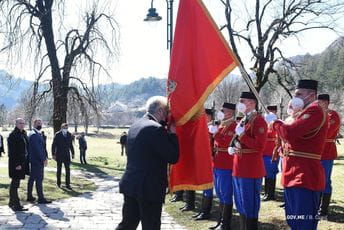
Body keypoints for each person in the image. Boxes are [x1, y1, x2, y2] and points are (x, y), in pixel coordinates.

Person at [116, 96, 179, 230]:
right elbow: (173, 157)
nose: (168, 115)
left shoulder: (136, 125)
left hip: (132, 184)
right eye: (167, 112)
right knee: (151, 226)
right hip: (149, 189)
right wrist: (173, 134)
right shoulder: (156, 129)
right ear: (161, 111)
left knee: (127, 224)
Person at [272, 80, 328, 230]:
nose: (295, 97)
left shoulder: (315, 110)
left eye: (299, 94)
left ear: (311, 95)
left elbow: (289, 133)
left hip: (305, 175)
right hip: (293, 174)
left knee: (304, 223)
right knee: (294, 220)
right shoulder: (301, 113)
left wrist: (276, 122)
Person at [230, 92, 267, 229]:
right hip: (239, 167)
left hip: (250, 169)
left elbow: (259, 146)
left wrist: (243, 135)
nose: (239, 103)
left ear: (252, 102)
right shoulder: (243, 119)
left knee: (250, 204)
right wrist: (232, 146)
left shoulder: (258, 120)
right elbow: (237, 138)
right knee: (240, 203)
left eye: (242, 101)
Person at [210, 103, 237, 230]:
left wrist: (215, 134)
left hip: (226, 164)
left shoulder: (234, 126)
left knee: (226, 193)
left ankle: (225, 223)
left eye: (223, 110)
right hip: (217, 162)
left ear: (230, 112)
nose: (220, 112)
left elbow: (227, 143)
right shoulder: (221, 125)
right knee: (219, 192)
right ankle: (220, 221)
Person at [317, 94, 341, 217]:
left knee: (325, 180)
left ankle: (324, 210)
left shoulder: (333, 115)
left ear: (327, 103)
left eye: (321, 102)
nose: (319, 104)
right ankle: (316, 206)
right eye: (318, 102)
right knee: (316, 180)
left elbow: (327, 133)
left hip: (326, 152)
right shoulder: (316, 115)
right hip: (315, 153)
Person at [192, 108, 215, 221]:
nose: (204, 118)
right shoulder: (203, 128)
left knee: (208, 186)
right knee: (204, 186)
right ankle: (203, 210)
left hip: (210, 160)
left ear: (210, 117)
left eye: (206, 116)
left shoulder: (213, 128)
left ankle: (206, 211)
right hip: (203, 159)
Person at [27, 119, 51, 204]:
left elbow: (42, 148)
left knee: (32, 178)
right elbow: (37, 149)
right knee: (39, 179)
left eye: (41, 123)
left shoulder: (37, 133)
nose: (40, 125)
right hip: (37, 160)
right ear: (34, 124)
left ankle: (29, 196)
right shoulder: (33, 134)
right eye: (38, 123)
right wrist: (43, 159)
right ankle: (40, 198)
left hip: (36, 160)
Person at [7, 118, 29, 211]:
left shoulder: (23, 134)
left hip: (22, 162)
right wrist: (17, 164)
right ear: (16, 124)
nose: (22, 125)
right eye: (20, 123)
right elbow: (11, 152)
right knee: (15, 184)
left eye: (23, 123)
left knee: (15, 183)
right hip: (16, 163)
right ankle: (16, 205)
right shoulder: (13, 135)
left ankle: (11, 202)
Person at [262, 105, 279, 201]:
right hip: (264, 152)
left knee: (271, 173)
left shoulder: (276, 124)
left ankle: (270, 194)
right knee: (265, 173)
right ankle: (266, 192)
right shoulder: (266, 123)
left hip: (271, 152)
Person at [52, 123, 75, 190]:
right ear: (62, 128)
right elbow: (53, 145)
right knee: (59, 169)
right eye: (65, 128)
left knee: (68, 170)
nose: (66, 129)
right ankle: (58, 183)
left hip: (67, 155)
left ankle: (68, 184)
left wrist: (73, 153)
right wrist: (53, 154)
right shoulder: (57, 134)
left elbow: (71, 145)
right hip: (59, 155)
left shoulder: (69, 134)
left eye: (67, 128)